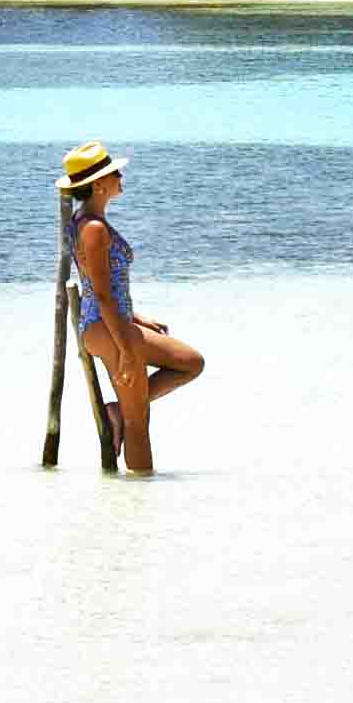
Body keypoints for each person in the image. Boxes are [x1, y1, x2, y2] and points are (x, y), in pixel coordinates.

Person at [58, 141, 202, 475]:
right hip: (106, 326)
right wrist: (124, 346)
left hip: (114, 321)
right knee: (139, 424)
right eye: (114, 173)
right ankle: (138, 507)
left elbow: (101, 286)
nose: (121, 176)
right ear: (98, 185)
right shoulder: (92, 228)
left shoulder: (88, 221)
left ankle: (118, 411)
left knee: (191, 363)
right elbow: (103, 295)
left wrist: (137, 318)